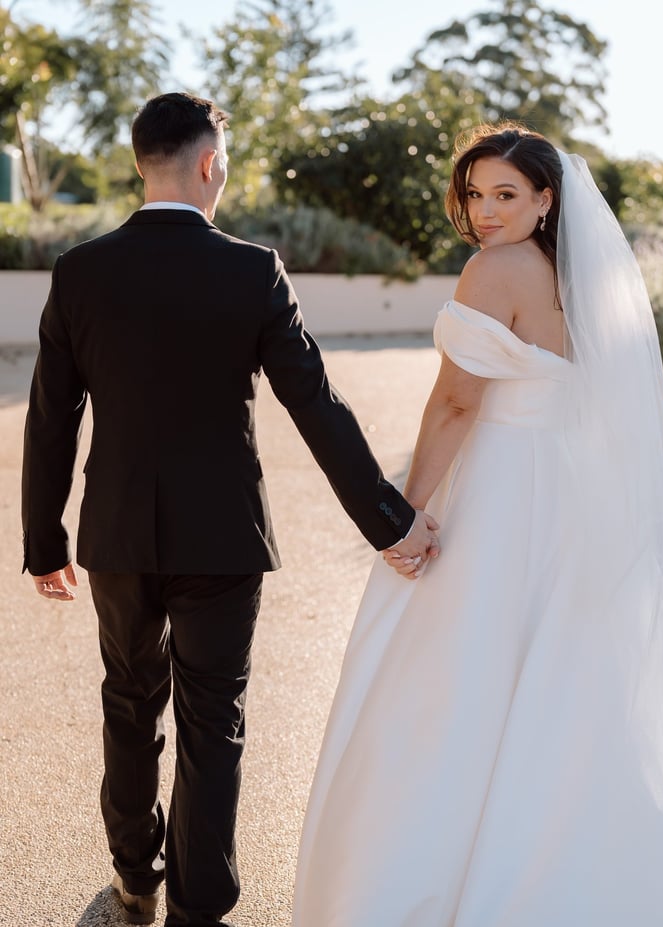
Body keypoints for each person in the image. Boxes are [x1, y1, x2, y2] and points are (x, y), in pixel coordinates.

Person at [292, 123, 663, 926]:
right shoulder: (573, 275)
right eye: (475, 194)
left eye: (505, 194)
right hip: (570, 491)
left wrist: (403, 514)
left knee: (461, 671)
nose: (484, 210)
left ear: (547, 199)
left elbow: (454, 402)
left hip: (504, 486)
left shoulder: (495, 269)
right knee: (576, 672)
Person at [20, 91, 439, 927]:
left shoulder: (81, 271)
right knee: (216, 722)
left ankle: (135, 883)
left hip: (117, 537)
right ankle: (198, 909)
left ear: (142, 163)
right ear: (211, 162)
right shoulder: (253, 270)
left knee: (129, 701)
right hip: (224, 538)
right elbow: (314, 402)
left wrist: (43, 539)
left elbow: (51, 412)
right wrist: (389, 520)